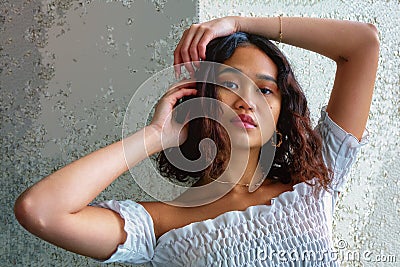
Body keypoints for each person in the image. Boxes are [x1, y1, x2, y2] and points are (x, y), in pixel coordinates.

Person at [14, 15, 379, 266]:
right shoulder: (160, 223)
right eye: (230, 84)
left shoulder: (316, 181)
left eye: (265, 89)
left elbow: (363, 44)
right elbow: (41, 211)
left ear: (281, 112)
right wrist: (156, 135)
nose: (246, 100)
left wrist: (238, 24)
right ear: (201, 98)